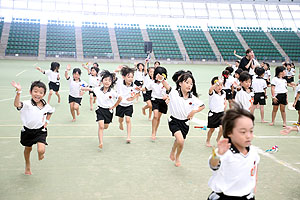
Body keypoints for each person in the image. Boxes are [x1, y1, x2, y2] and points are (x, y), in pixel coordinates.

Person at [207, 103, 259, 200]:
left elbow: (254, 167)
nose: (248, 135)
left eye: (251, 131)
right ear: (229, 132)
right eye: (243, 132)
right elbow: (213, 165)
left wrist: (254, 184)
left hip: (246, 196)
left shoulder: (253, 152)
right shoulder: (225, 152)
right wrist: (218, 154)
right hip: (224, 197)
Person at [159, 72, 205, 167]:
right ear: (180, 83)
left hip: (185, 123)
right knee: (180, 140)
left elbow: (202, 106)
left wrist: (193, 112)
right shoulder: (174, 93)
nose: (189, 85)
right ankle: (177, 157)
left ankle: (174, 152)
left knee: (179, 140)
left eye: (191, 84)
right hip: (174, 121)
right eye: (187, 82)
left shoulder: (192, 97)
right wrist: (161, 79)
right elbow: (166, 85)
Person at [11, 80, 55, 175]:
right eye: (35, 91)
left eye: (40, 92)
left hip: (40, 130)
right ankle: (27, 165)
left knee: (41, 149)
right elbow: (17, 104)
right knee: (28, 149)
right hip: (27, 131)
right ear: (30, 92)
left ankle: (41, 154)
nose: (37, 94)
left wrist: (46, 122)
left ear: (43, 94)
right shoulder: (26, 104)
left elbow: (50, 112)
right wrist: (18, 92)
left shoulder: (46, 105)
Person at [81, 70, 122, 149]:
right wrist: (82, 88)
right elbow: (90, 89)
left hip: (109, 111)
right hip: (100, 110)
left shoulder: (113, 92)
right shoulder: (97, 89)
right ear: (102, 81)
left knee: (105, 126)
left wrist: (114, 106)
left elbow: (120, 98)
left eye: (109, 80)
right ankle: (101, 142)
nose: (107, 82)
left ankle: (105, 128)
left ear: (111, 82)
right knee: (101, 126)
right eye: (105, 80)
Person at [116, 66, 140, 143]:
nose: (130, 78)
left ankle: (128, 136)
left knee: (128, 119)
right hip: (120, 104)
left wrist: (133, 98)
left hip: (129, 105)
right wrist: (117, 70)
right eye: (128, 77)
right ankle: (120, 123)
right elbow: (113, 76)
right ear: (123, 77)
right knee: (121, 119)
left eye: (132, 77)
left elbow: (138, 93)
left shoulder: (134, 86)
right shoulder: (119, 82)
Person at [147, 66, 168, 141]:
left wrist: (166, 96)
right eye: (157, 75)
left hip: (162, 101)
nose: (159, 77)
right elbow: (146, 89)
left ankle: (155, 131)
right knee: (155, 115)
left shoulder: (165, 84)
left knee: (158, 117)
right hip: (154, 100)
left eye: (161, 75)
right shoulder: (152, 83)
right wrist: (138, 89)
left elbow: (168, 92)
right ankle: (153, 132)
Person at [206, 77, 226, 147]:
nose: (219, 87)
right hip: (213, 114)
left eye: (221, 85)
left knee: (222, 127)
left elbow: (224, 101)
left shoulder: (224, 93)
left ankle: (218, 139)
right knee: (212, 129)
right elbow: (210, 89)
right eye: (217, 85)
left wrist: (224, 108)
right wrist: (217, 82)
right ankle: (208, 140)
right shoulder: (212, 93)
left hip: (221, 113)